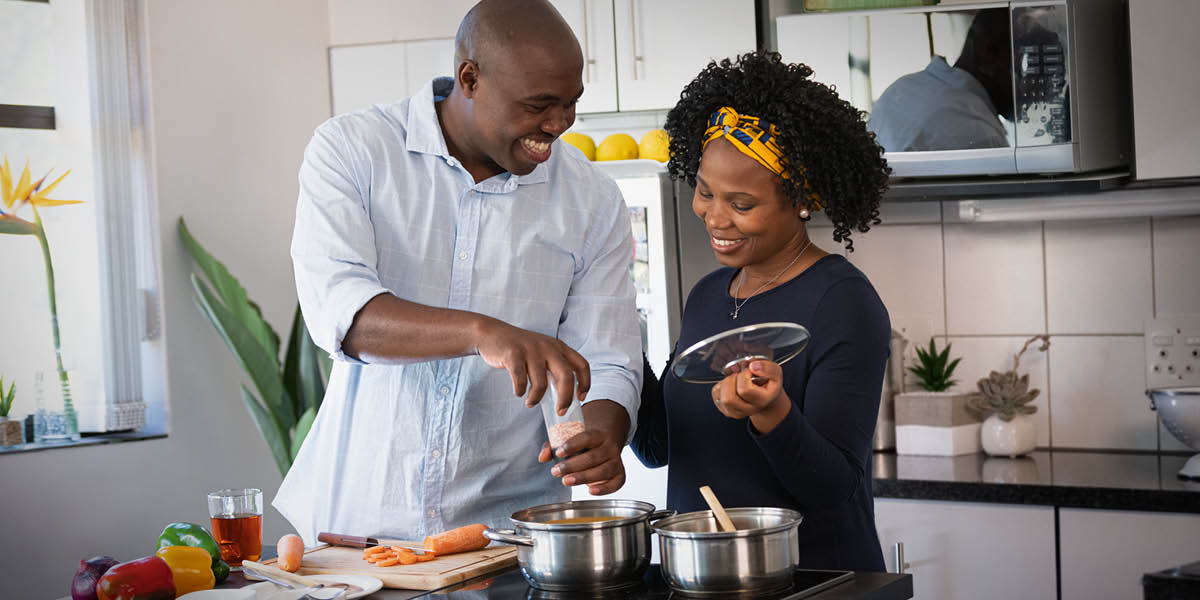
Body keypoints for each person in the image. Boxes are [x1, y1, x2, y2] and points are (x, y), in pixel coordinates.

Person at [276, 0, 642, 544]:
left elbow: (609, 356)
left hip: (513, 536)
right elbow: (342, 315)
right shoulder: (354, 150)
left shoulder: (593, 199)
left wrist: (604, 435)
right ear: (470, 78)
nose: (559, 124)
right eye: (540, 104)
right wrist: (481, 332)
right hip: (363, 527)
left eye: (570, 104)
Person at [631, 51, 892, 571]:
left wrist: (772, 414)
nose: (714, 216)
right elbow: (660, 446)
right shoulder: (708, 294)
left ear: (802, 198)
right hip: (705, 578)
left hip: (812, 580)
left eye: (741, 204)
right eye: (704, 192)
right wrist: (610, 344)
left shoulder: (843, 301)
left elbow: (833, 488)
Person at [867, 9, 1013, 152]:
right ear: (990, 53)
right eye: (1027, 63)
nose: (1034, 90)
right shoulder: (982, 135)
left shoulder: (900, 89)